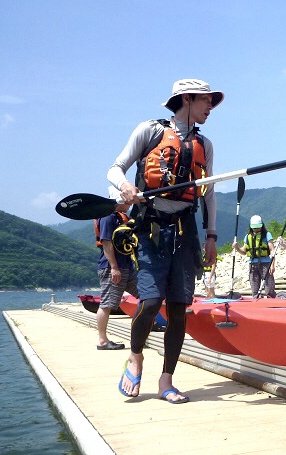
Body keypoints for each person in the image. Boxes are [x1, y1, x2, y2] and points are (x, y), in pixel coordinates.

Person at [110, 78, 222, 403]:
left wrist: (211, 236)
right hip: (152, 228)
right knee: (149, 302)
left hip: (186, 230)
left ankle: (166, 380)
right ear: (186, 99)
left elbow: (209, 194)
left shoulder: (207, 145)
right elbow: (114, 169)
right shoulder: (150, 130)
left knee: (178, 309)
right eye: (206, 101)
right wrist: (125, 188)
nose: (210, 108)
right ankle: (136, 356)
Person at [95, 187, 138, 350]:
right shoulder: (108, 217)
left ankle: (146, 326)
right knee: (107, 303)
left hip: (127, 266)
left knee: (146, 295)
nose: (129, 203)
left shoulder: (122, 218)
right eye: (126, 200)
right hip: (112, 267)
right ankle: (102, 341)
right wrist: (114, 267)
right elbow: (107, 243)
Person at [234, 215, 276, 298]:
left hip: (266, 263)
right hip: (253, 264)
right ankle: (257, 301)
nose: (256, 229)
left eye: (258, 227)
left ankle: (271, 301)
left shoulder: (267, 235)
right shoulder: (248, 236)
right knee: (254, 288)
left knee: (269, 288)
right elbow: (244, 251)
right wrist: (237, 248)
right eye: (254, 228)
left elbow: (272, 250)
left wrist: (272, 264)